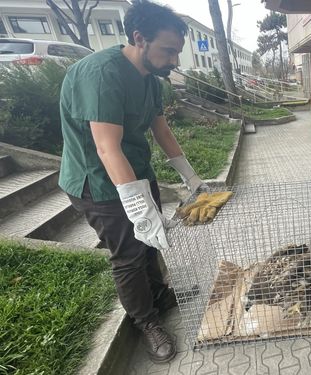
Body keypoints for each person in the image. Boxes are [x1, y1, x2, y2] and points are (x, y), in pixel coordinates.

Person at [58, 0, 206, 363]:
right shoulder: (102, 74)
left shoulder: (151, 78)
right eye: (168, 50)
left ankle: (159, 294)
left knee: (152, 241)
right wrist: (140, 209)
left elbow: (162, 130)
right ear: (140, 38)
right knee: (128, 255)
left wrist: (193, 179)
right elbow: (107, 149)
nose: (174, 59)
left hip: (136, 173)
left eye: (177, 51)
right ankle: (147, 322)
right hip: (98, 182)